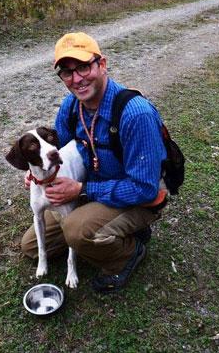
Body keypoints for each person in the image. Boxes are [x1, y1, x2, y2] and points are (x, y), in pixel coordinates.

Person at [21, 32, 167, 293]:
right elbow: (57, 148)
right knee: (31, 246)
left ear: (102, 64)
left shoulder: (135, 114)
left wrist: (81, 190)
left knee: (77, 232)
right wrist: (38, 172)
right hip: (95, 189)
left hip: (138, 198)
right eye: (67, 72)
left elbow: (145, 188)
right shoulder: (72, 105)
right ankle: (110, 231)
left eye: (84, 67)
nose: (76, 79)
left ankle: (129, 252)